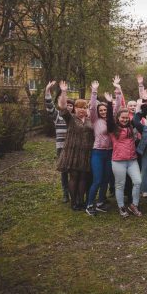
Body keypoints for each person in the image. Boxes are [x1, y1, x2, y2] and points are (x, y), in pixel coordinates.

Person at [105, 78, 142, 218]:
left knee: (138, 181)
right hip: (118, 161)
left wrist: (140, 103)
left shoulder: (131, 127)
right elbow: (109, 117)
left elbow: (137, 115)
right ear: (118, 118)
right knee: (120, 185)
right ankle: (121, 207)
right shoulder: (113, 128)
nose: (125, 119)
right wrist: (110, 102)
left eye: (127, 117)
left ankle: (134, 205)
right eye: (123, 117)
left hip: (132, 160)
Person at [56, 81, 94, 211]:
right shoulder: (70, 118)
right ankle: (73, 203)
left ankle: (81, 200)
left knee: (83, 177)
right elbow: (62, 106)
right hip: (73, 153)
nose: (82, 109)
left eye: (84, 107)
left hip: (86, 153)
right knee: (74, 177)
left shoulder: (90, 120)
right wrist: (64, 91)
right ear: (75, 108)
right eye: (79, 107)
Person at [85, 79, 119, 216]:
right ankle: (89, 204)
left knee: (106, 179)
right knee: (98, 179)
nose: (104, 111)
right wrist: (94, 92)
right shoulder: (95, 120)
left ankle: (100, 202)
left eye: (105, 109)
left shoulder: (111, 121)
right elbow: (92, 107)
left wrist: (117, 90)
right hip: (98, 153)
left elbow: (116, 108)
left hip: (110, 153)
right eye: (102, 110)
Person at [45, 80, 72, 203]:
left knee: (74, 171)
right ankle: (65, 193)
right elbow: (50, 106)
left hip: (73, 148)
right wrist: (47, 91)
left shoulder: (76, 119)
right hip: (62, 148)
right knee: (64, 171)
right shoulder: (58, 117)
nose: (69, 107)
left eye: (71, 106)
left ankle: (74, 191)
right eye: (68, 105)